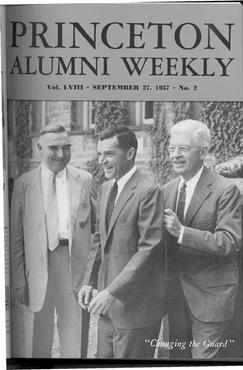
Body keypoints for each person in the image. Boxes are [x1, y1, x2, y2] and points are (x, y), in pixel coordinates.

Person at [10, 123, 97, 358]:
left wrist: (90, 276)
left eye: (66, 148)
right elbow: (16, 238)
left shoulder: (85, 180)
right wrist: (18, 280)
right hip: (38, 268)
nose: (61, 154)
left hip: (74, 266)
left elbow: (97, 232)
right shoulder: (23, 184)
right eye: (54, 148)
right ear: (39, 147)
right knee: (38, 339)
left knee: (74, 340)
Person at [78, 126, 165, 359]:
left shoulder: (149, 191)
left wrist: (111, 292)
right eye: (99, 154)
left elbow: (150, 249)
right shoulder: (106, 188)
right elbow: (99, 238)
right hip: (107, 309)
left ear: (130, 153)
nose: (102, 161)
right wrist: (89, 281)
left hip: (135, 308)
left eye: (109, 154)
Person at [163, 119, 242, 359]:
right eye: (172, 148)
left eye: (183, 149)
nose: (175, 155)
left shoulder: (225, 189)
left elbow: (229, 242)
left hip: (210, 296)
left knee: (202, 361)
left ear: (204, 151)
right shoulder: (166, 190)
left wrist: (182, 232)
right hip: (173, 296)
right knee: (174, 360)